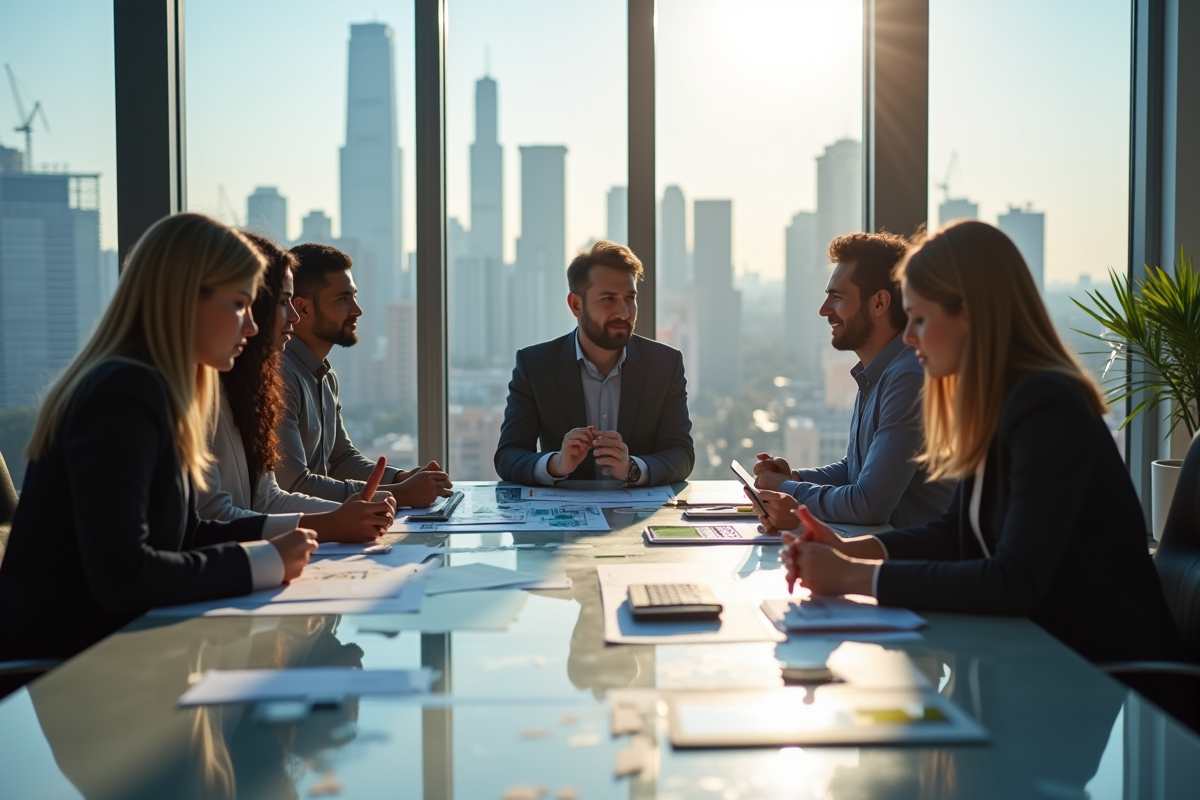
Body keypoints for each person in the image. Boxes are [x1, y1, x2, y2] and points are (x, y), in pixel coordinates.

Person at [779, 220, 1185, 674]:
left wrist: (855, 576)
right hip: (1038, 662)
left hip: (1107, 680)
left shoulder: (1046, 405)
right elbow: (955, 534)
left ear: (969, 313)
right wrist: (849, 549)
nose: (908, 338)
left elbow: (1013, 581)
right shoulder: (998, 402)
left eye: (920, 319)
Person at [0, 213, 318, 666]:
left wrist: (290, 535)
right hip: (76, 673)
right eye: (239, 304)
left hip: (119, 656)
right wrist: (263, 561)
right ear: (185, 300)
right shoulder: (124, 394)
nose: (251, 326)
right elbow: (124, 575)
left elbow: (184, 533)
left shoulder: (152, 388)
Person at [196, 232, 396, 542]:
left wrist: (346, 515)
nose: (292, 316)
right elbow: (212, 517)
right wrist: (333, 522)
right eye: (281, 303)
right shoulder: (202, 396)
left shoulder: (254, 388)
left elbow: (267, 499)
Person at [753, 232, 954, 528]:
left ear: (879, 303)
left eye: (837, 297)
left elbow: (867, 504)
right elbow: (857, 472)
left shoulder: (907, 378)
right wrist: (794, 478)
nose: (824, 310)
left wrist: (786, 493)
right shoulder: (877, 372)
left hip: (907, 563)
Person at [495, 240, 694, 485]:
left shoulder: (665, 364)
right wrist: (555, 464)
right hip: (565, 519)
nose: (624, 312)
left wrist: (632, 467)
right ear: (576, 304)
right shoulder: (535, 365)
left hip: (639, 517)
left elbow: (681, 454)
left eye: (629, 298)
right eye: (609, 299)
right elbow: (508, 455)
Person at [276, 243, 453, 505]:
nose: (357, 310)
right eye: (343, 299)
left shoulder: (324, 374)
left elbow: (341, 459)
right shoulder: (280, 376)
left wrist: (400, 479)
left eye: (354, 297)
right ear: (302, 309)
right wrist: (399, 494)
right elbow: (293, 485)